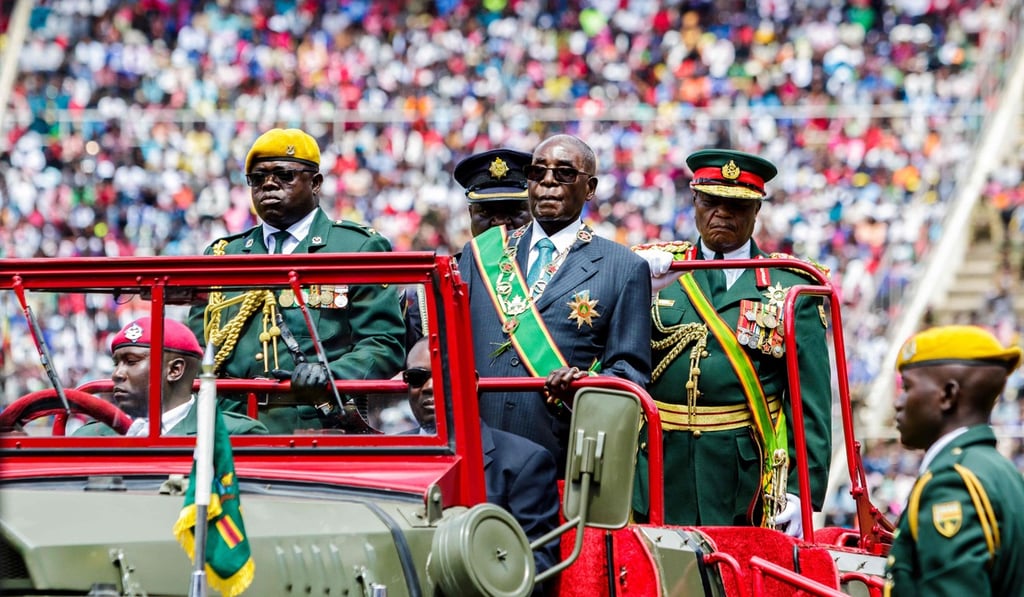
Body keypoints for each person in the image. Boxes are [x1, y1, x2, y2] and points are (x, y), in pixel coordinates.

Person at [630, 148, 832, 535]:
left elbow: (811, 404)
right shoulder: (657, 270)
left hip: (741, 472)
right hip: (657, 461)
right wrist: (630, 280)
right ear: (694, 202)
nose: (722, 213)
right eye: (710, 202)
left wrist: (801, 492)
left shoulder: (790, 286)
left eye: (736, 205)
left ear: (757, 211)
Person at [188, 128, 406, 434]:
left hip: (312, 427)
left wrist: (330, 375)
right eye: (257, 178)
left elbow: (385, 343)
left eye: (284, 175)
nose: (268, 184)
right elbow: (197, 350)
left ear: (315, 183)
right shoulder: (224, 254)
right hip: (230, 429)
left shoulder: (355, 248)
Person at [458, 133, 652, 472]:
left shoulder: (623, 267)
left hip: (560, 457)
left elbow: (629, 376)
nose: (548, 182)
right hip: (478, 448)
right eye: (537, 173)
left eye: (564, 173)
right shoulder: (479, 256)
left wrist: (579, 391)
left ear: (589, 188)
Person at [402, 337, 560, 586]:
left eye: (444, 374)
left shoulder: (525, 462)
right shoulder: (393, 453)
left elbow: (537, 570)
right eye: (416, 378)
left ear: (472, 383)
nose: (429, 387)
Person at [884, 325, 1024, 596]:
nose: (898, 403)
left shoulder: (951, 482)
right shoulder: (1001, 471)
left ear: (947, 395)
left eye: (907, 388)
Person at [404, 147, 534, 351]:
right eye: (486, 212)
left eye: (513, 210)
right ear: (470, 213)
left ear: (533, 210)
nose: (500, 222)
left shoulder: (555, 267)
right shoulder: (443, 280)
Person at [75, 317, 267, 436]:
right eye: (116, 363)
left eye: (131, 361)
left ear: (175, 370)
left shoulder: (232, 434)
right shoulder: (90, 435)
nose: (117, 374)